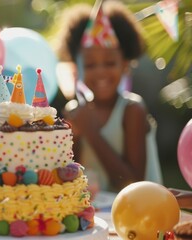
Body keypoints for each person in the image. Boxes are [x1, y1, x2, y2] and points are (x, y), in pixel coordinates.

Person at [53, 1, 162, 193]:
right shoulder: (77, 113)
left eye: (110, 63)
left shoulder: (132, 109)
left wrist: (91, 132)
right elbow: (71, 177)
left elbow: (133, 184)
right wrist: (75, 135)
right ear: (76, 69)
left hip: (141, 215)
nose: (100, 72)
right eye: (90, 65)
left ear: (126, 65)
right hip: (98, 218)